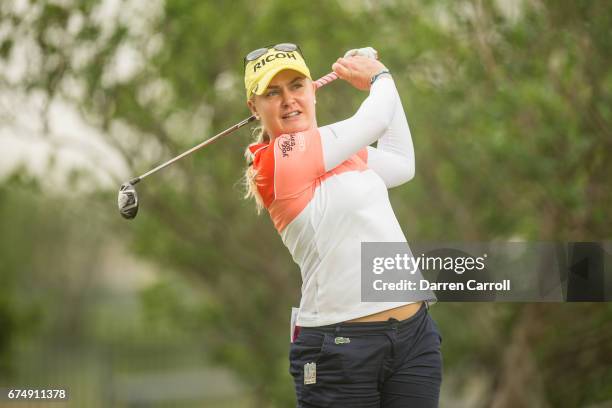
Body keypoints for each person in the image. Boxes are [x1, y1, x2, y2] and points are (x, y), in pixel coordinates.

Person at [242, 43, 442, 407]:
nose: (288, 100)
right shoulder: (278, 160)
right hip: (339, 348)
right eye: (273, 92)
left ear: (313, 90)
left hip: (414, 337)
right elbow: (374, 120)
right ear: (254, 108)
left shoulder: (338, 150)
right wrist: (379, 77)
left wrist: (379, 77)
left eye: (296, 86)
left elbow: (401, 163)